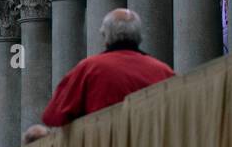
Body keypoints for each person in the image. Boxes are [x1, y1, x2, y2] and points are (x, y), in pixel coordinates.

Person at [42, 9, 175, 126]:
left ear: (106, 37)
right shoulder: (164, 71)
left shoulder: (89, 68)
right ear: (140, 37)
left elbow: (53, 116)